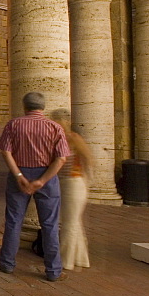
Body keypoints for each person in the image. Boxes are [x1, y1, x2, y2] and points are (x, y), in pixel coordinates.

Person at [0, 92, 72, 282]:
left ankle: (6, 263)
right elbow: (61, 158)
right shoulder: (54, 127)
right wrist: (42, 180)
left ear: (24, 106)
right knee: (49, 224)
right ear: (43, 107)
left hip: (18, 174)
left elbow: (5, 151)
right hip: (47, 176)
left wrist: (19, 175)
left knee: (14, 220)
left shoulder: (14, 125)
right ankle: (53, 271)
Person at [50, 109, 92, 271]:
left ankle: (65, 261)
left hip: (74, 183)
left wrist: (86, 182)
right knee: (74, 222)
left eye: (56, 120)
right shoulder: (59, 139)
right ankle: (81, 259)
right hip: (66, 183)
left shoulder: (73, 138)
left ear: (65, 121)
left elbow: (88, 160)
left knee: (70, 223)